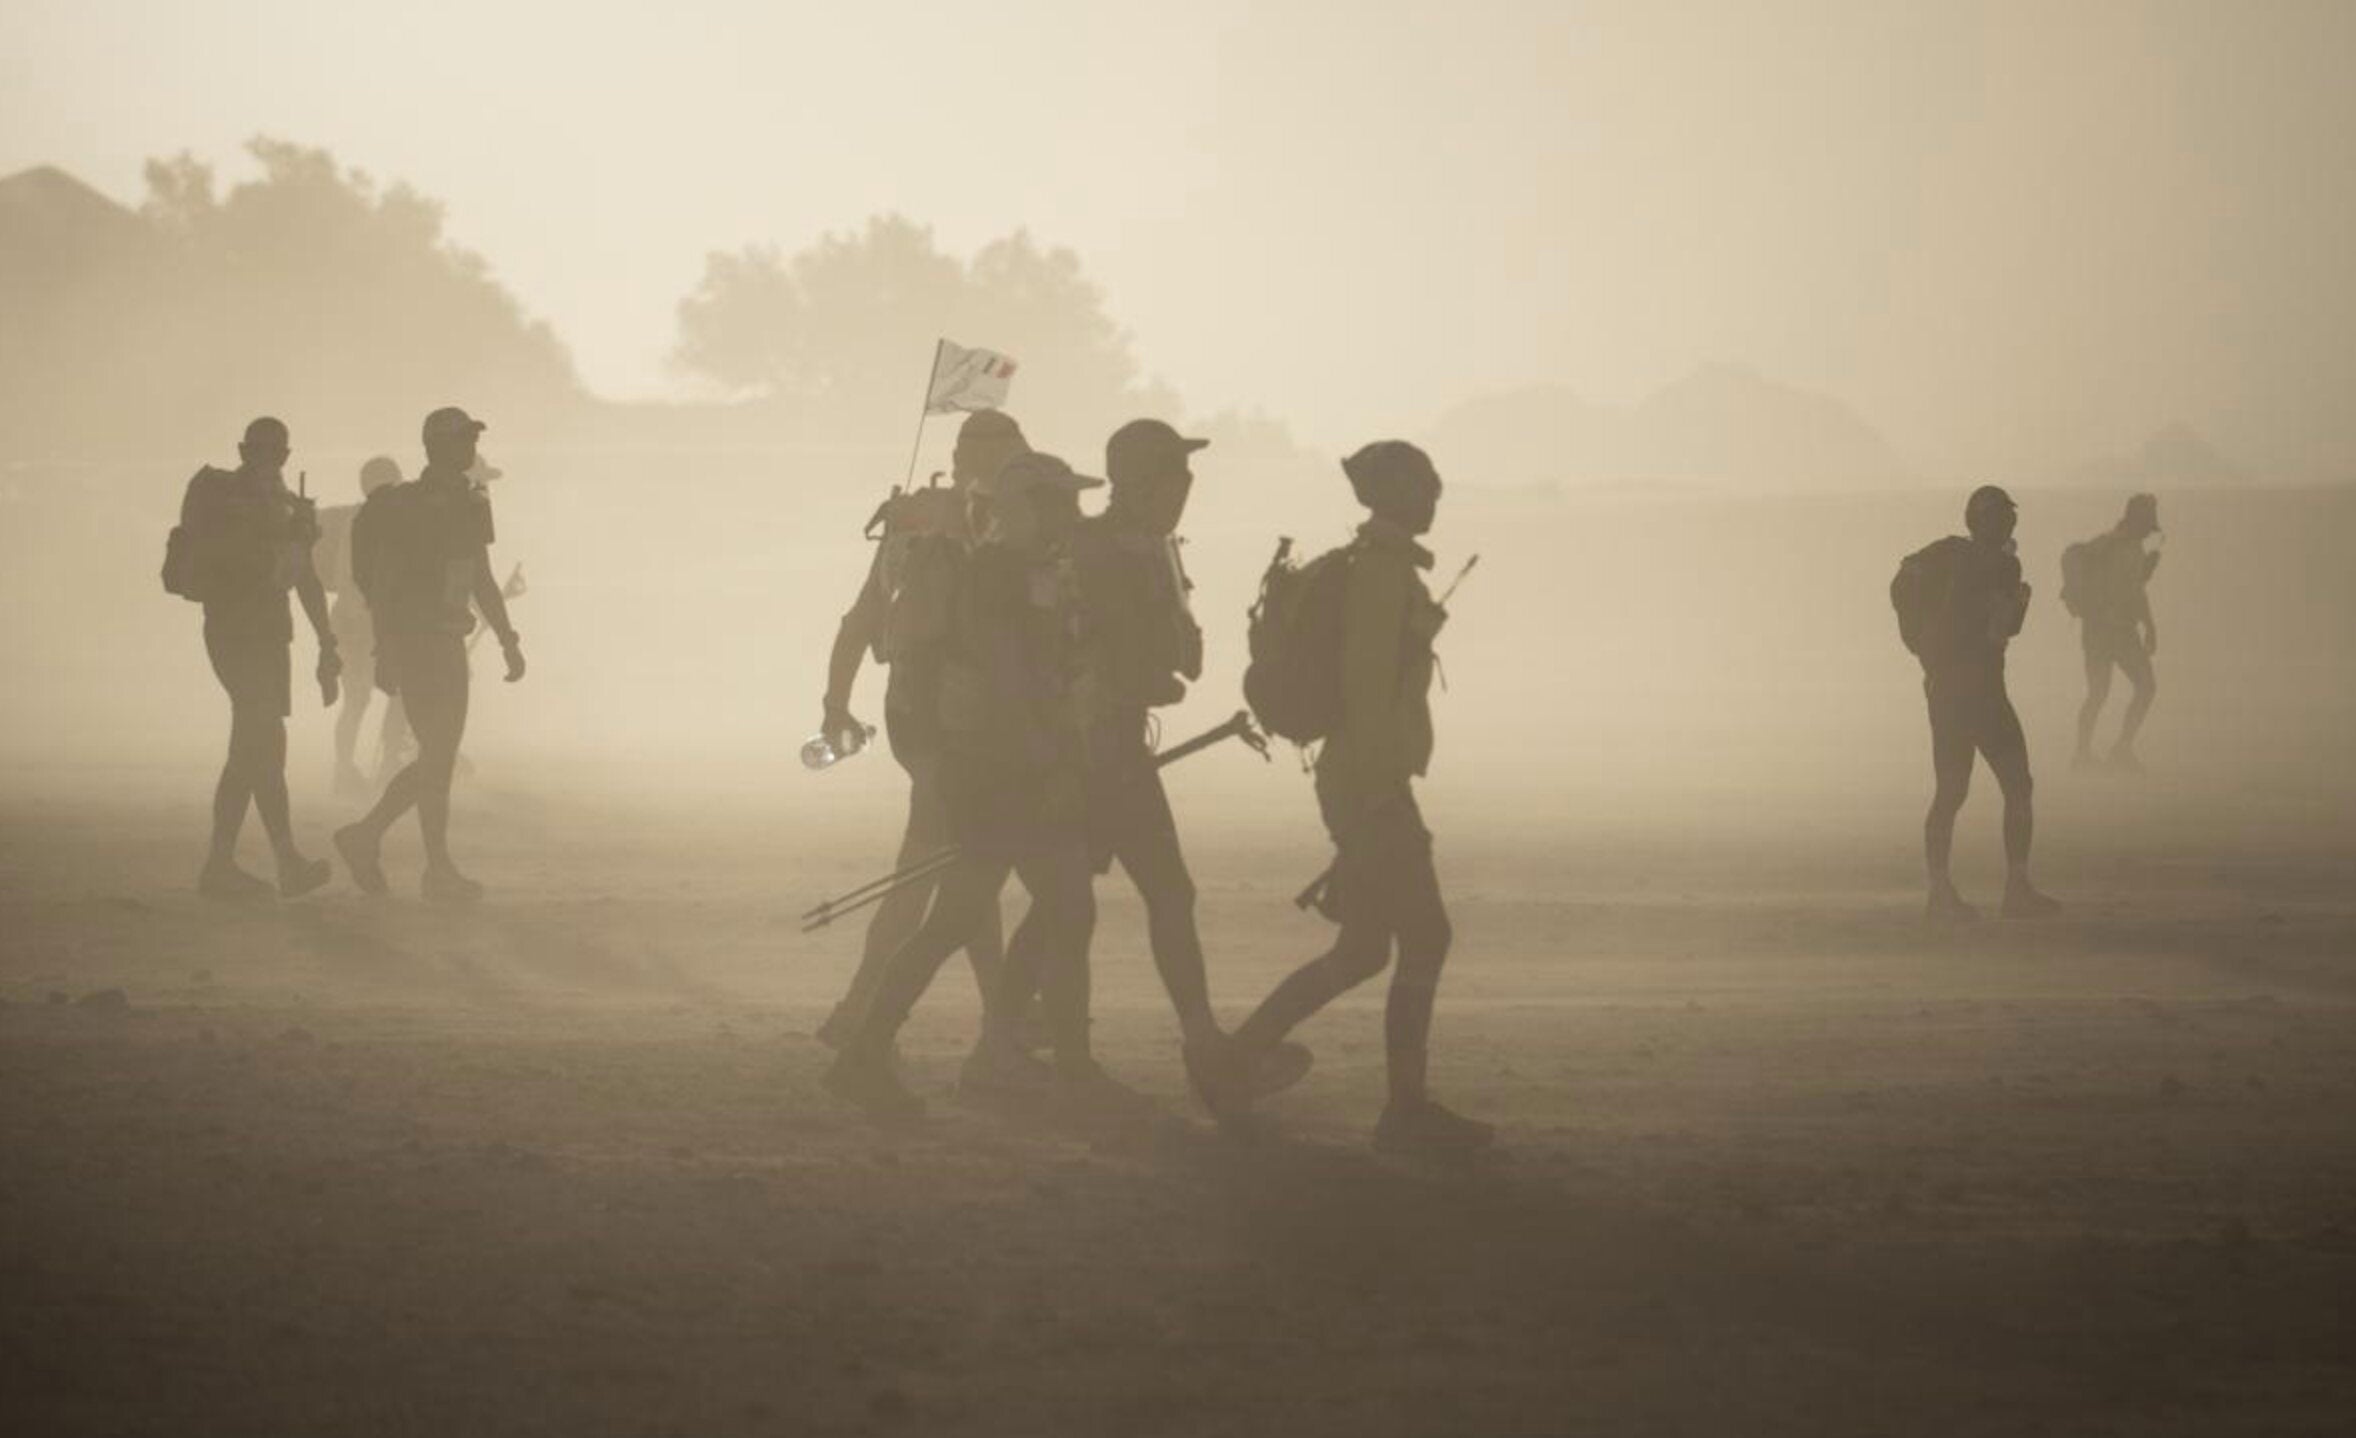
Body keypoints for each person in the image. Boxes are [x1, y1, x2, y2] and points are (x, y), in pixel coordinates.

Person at [1218, 441, 1493, 1155]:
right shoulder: (1379, 575)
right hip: (1369, 780)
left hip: (1361, 778)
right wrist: (1376, 806)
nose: (1435, 496)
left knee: (1366, 949)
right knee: (1426, 936)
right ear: (1396, 493)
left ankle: (1238, 1060)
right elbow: (1367, 692)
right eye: (1425, 485)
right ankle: (1404, 1111)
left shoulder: (1378, 567)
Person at [824, 452, 1115, 1122]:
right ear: (1026, 509)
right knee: (1065, 909)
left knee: (963, 919)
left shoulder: (1024, 573)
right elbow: (1010, 684)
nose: (1073, 515)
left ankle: (865, 1056)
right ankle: (1067, 1072)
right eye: (1061, 503)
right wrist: (1052, 764)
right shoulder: (998, 577)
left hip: (997, 774)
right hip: (1005, 777)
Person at [1057, 418, 1310, 1111]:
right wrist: (1147, 681)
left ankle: (1016, 1040)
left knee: (1070, 902)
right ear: (1139, 483)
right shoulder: (1099, 551)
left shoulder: (1140, 548)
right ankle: (1203, 1052)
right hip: (1096, 749)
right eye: (1175, 474)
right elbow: (1107, 655)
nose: (1187, 487)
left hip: (1111, 744)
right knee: (1151, 895)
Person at [814, 410, 1026, 1049]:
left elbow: (860, 621)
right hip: (958, 724)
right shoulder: (992, 529)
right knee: (927, 869)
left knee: (968, 868)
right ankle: (859, 1011)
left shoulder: (911, 522)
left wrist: (835, 705)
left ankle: (1001, 1016)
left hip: (912, 714)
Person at [334, 407, 525, 904]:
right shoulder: (410, 507)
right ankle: (425, 864)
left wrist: (508, 638)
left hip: (446, 641)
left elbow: (481, 576)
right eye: (462, 440)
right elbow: (386, 581)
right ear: (437, 446)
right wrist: (385, 650)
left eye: (471, 440)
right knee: (437, 757)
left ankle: (378, 842)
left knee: (436, 760)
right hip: (418, 644)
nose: (470, 448)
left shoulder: (470, 501)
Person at [178, 416, 341, 900]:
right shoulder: (244, 505)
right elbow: (301, 578)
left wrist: (327, 644)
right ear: (245, 453)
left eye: (274, 453)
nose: (270, 460)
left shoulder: (287, 510)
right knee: (260, 743)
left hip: (263, 636)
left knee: (257, 747)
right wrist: (325, 644)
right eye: (264, 452)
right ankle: (273, 861)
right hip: (239, 635)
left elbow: (306, 579)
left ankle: (231, 864)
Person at [1902, 485, 2062, 922]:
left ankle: (1941, 890)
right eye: (2004, 518)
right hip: (1983, 692)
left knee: (1953, 790)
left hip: (1947, 690)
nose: (2009, 523)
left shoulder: (1946, 555)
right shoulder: (2002, 566)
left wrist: (1924, 646)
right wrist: (2019, 600)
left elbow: (1907, 585)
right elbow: (2003, 629)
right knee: (2014, 785)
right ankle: (2014, 887)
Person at [316, 456, 404, 795]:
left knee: (356, 702)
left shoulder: (355, 517)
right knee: (398, 695)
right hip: (370, 623)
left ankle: (345, 770)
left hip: (347, 619)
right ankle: (387, 765)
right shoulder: (383, 520)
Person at [2069, 493, 2163, 771]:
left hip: (2107, 632)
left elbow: (2134, 590)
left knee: (2103, 692)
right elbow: (2131, 592)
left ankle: (2093, 753)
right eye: (2148, 520)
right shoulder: (2118, 547)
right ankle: (2101, 752)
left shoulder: (2123, 546)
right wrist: (2148, 626)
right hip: (2111, 632)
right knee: (2129, 689)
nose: (2150, 528)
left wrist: (2149, 626)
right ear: (2138, 519)